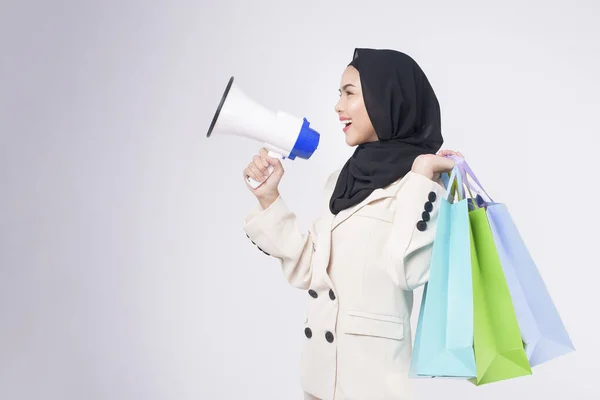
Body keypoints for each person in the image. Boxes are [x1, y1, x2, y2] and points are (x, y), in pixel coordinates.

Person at [242, 48, 463, 400]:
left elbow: (408, 270)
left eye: (349, 93)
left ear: (386, 99)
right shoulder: (341, 180)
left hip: (372, 385)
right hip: (319, 379)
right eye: (338, 94)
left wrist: (422, 177)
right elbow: (309, 271)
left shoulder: (421, 185)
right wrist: (269, 199)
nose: (338, 106)